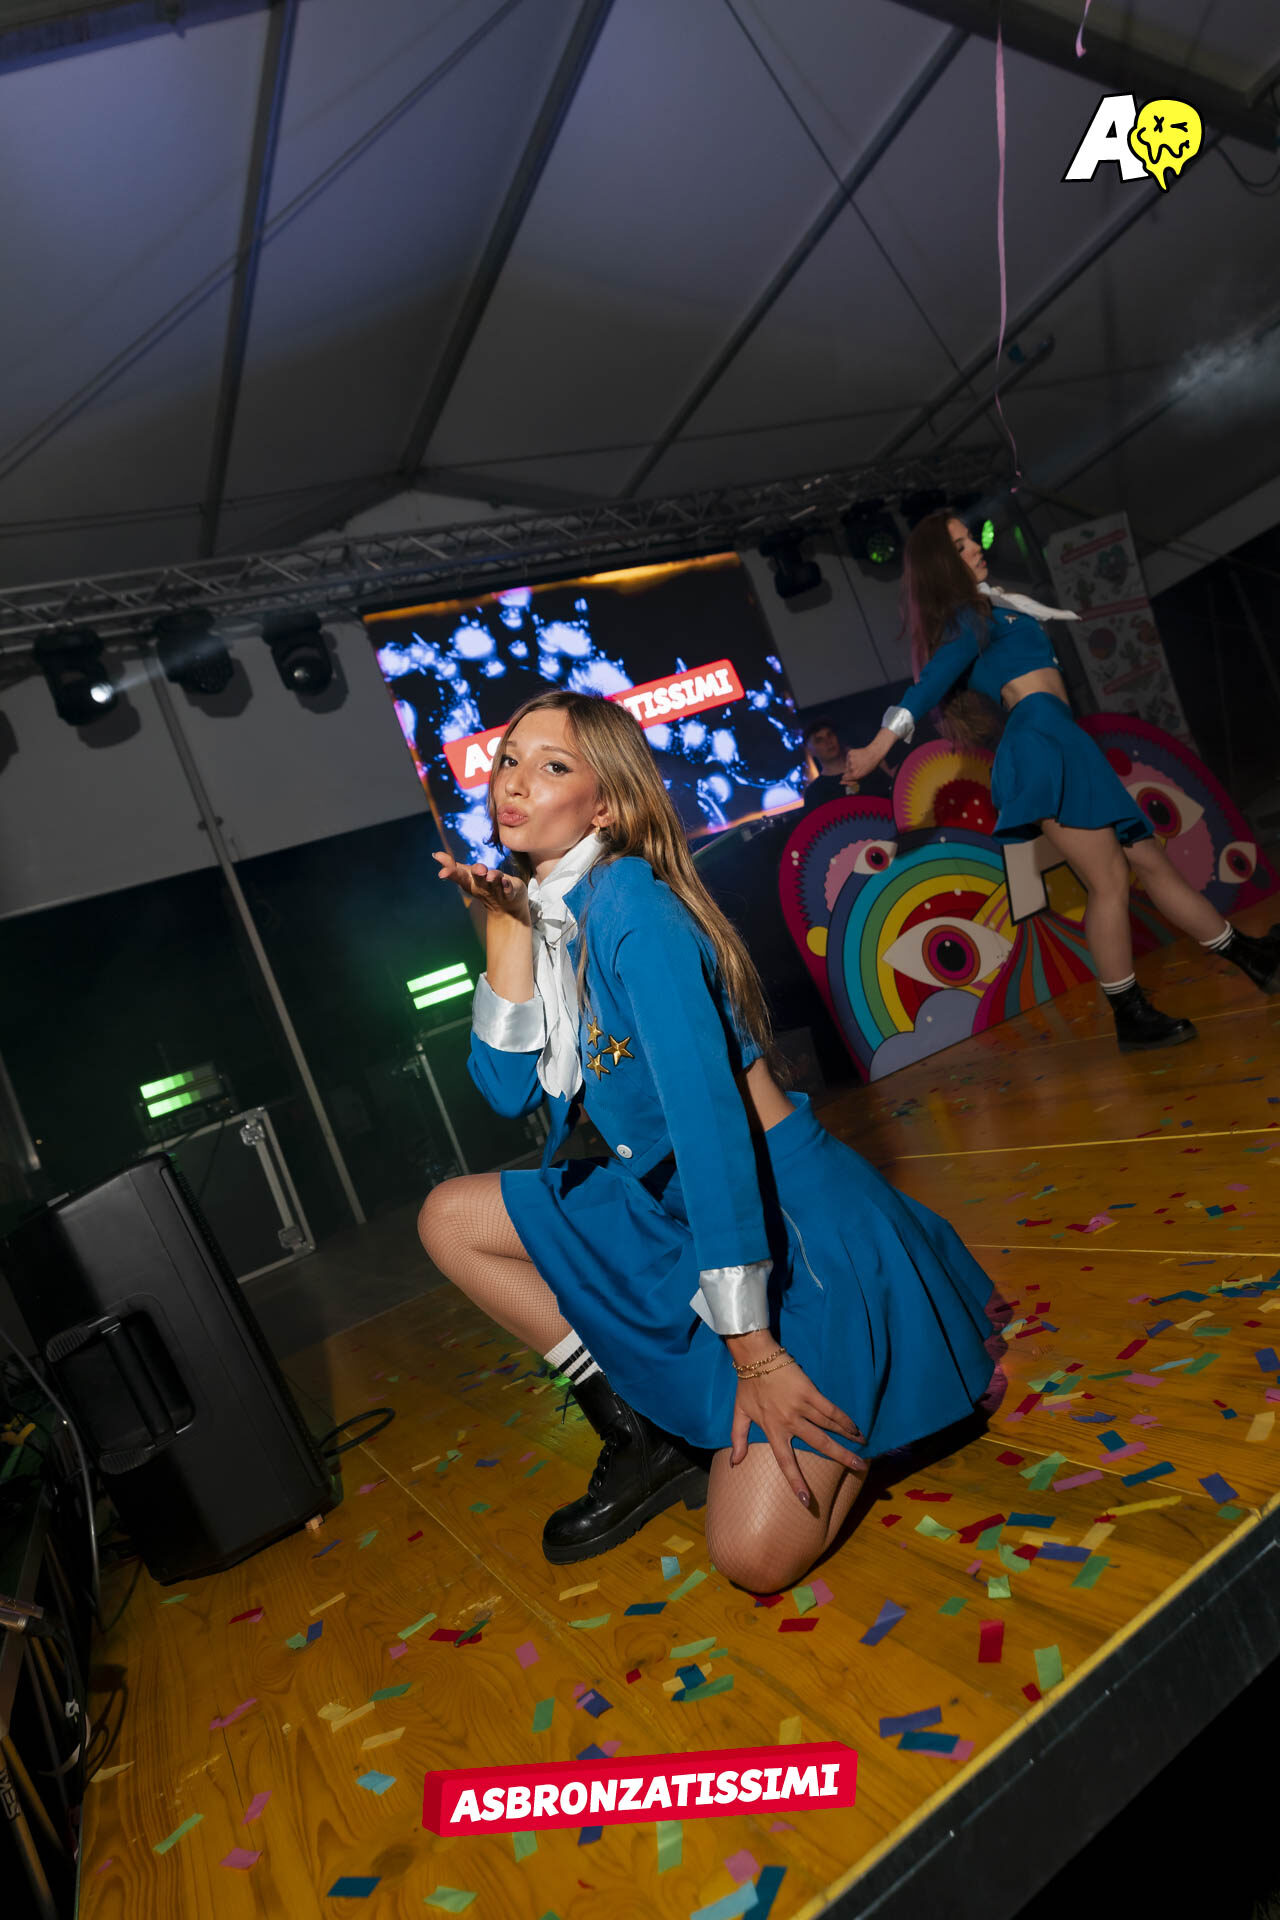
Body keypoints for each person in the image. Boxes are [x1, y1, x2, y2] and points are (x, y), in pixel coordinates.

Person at [418, 689, 1006, 1596]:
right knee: (450, 1219)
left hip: (780, 1216)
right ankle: (641, 1432)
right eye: (508, 760)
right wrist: (505, 924)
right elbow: (506, 1092)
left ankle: (878, 1378)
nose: (514, 782)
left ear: (605, 805)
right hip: (668, 1208)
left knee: (752, 1557)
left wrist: (756, 1352)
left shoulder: (633, 909)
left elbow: (712, 1131)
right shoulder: (555, 910)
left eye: (552, 765)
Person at [842, 512, 1280, 1051]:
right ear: (940, 566)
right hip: (1039, 746)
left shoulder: (998, 606)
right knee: (1109, 880)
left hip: (1065, 739)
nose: (975, 547)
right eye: (958, 547)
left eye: (970, 539)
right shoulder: (966, 618)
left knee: (1151, 861)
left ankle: (1251, 956)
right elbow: (929, 684)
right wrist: (878, 747)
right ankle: (1129, 1015)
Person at [802, 717, 857, 808]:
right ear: (809, 750)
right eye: (819, 740)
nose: (828, 742)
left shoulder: (865, 769)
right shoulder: (814, 793)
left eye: (830, 735)